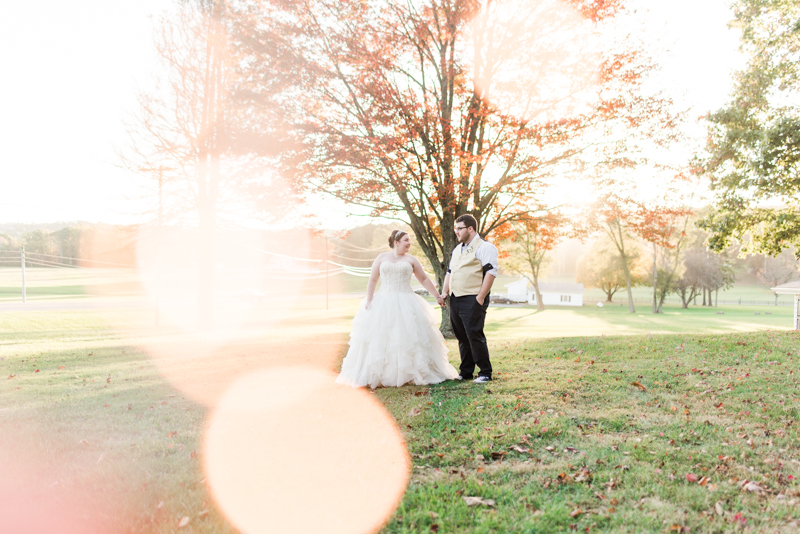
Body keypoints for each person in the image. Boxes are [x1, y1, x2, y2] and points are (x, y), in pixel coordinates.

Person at [336, 230, 459, 388]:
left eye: (409, 240)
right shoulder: (381, 258)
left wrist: (437, 296)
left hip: (406, 301)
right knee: (381, 338)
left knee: (408, 337)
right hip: (384, 301)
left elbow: (423, 279)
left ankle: (410, 372)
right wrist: (369, 299)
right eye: (406, 240)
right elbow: (373, 279)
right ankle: (381, 373)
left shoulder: (411, 259)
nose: (409, 243)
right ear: (396, 242)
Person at [440, 214, 498, 384]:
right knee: (462, 337)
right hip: (455, 298)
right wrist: (445, 292)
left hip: (473, 298)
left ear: (470, 229)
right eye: (455, 228)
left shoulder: (485, 247)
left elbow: (491, 272)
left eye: (459, 228)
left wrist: (480, 298)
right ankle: (466, 372)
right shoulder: (457, 249)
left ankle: (485, 373)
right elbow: (449, 273)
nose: (456, 232)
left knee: (474, 335)